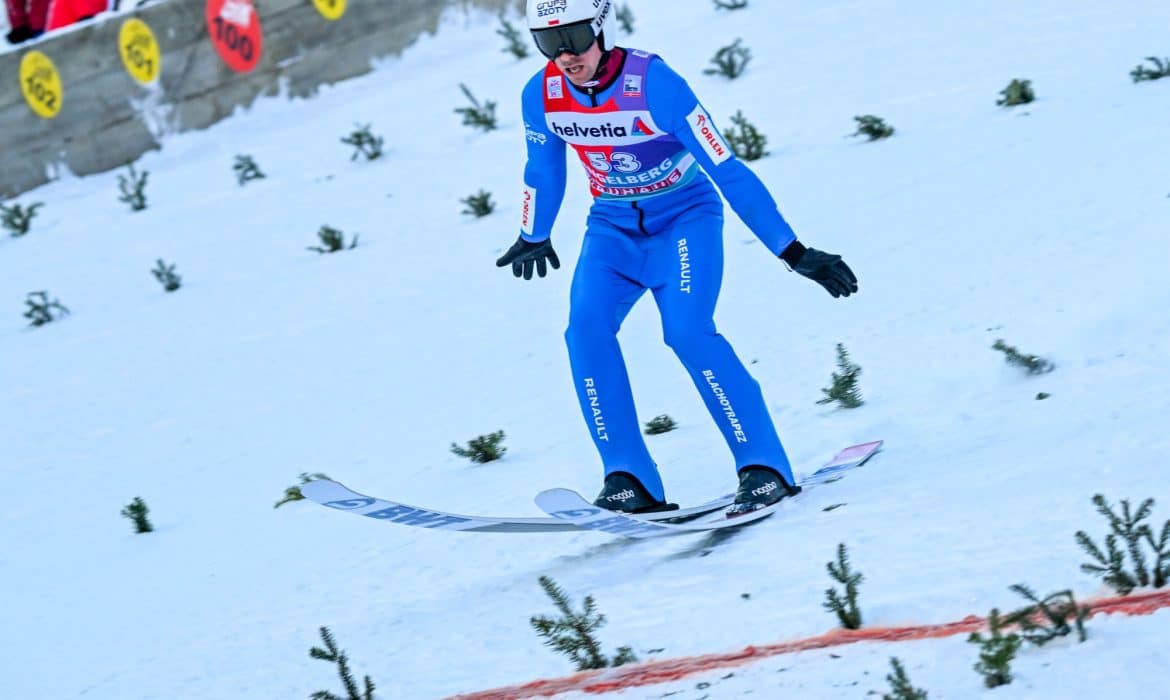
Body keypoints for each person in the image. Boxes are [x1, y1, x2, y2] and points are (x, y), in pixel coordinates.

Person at [497, 0, 858, 515]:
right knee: (585, 332)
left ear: (602, 28)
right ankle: (629, 478)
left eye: (574, 37)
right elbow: (542, 168)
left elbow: (726, 168)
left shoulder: (656, 84)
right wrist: (533, 232)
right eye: (549, 43)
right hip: (612, 229)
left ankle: (763, 465)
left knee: (688, 332)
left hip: (685, 220)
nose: (565, 55)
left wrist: (791, 250)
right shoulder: (542, 94)